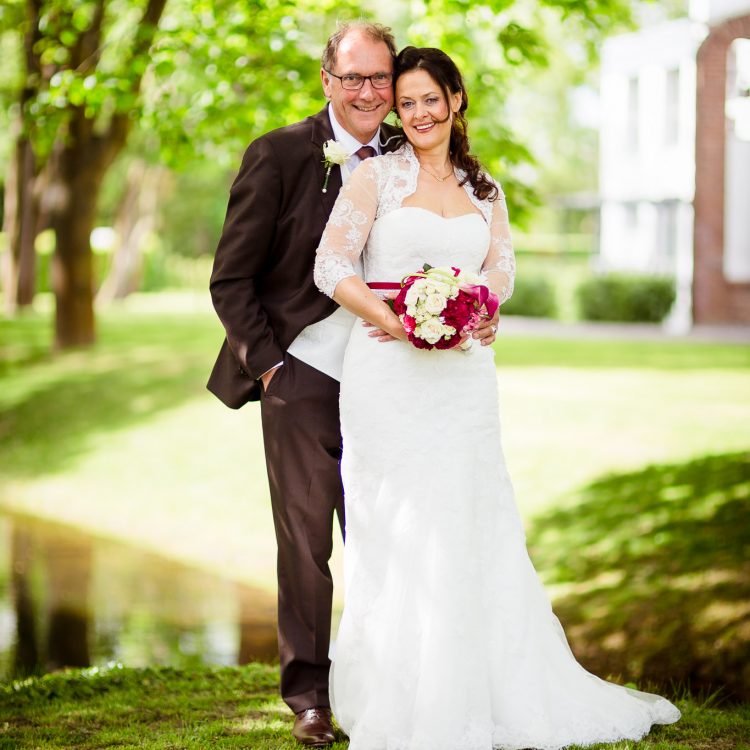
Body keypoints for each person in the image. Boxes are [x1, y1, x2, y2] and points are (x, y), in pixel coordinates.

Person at [313, 46, 681, 750]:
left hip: (463, 377)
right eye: (407, 101)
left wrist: (484, 306)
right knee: (399, 524)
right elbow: (330, 264)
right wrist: (390, 316)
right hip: (387, 375)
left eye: (431, 98)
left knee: (470, 520)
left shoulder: (486, 190)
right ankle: (398, 695)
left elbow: (501, 265)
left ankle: (483, 690)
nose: (418, 113)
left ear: (456, 100)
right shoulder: (375, 179)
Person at [207, 22, 404, 747]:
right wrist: (268, 365)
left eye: (379, 78)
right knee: (305, 542)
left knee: (384, 536)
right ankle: (310, 697)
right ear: (327, 81)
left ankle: (386, 682)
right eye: (352, 78)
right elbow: (230, 278)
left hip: (391, 378)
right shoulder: (282, 154)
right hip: (301, 375)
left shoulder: (411, 154)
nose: (367, 92)